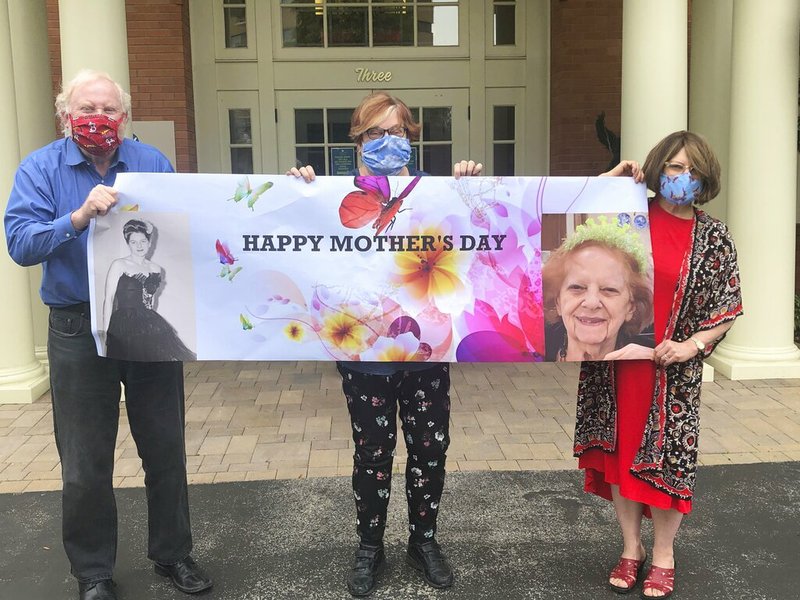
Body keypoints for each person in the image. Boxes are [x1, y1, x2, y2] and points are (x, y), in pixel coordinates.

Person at [4, 70, 211, 600]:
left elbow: (187, 232)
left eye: (109, 109)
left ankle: (174, 554)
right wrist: (75, 218)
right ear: (65, 114)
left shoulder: (150, 163)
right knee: (84, 460)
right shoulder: (40, 169)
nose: (98, 117)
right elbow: (22, 244)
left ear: (125, 117)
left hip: (149, 329)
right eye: (86, 107)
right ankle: (93, 572)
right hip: (77, 327)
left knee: (165, 447)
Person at [288, 90, 482, 597]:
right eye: (375, 133)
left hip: (425, 351)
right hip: (366, 356)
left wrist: (470, 187)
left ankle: (424, 540)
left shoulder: (437, 191)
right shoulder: (331, 193)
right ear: (357, 141)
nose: (386, 142)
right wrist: (292, 194)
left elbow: (477, 232)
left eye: (396, 132)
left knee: (429, 448)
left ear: (411, 138)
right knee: (372, 453)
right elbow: (296, 236)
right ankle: (369, 546)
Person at [573, 131, 743, 598]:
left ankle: (664, 553)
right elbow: (573, 230)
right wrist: (609, 182)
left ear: (705, 178)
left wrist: (692, 345)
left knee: (669, 460)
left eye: (692, 170)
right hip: (617, 363)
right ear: (656, 168)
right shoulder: (628, 218)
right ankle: (631, 549)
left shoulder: (713, 236)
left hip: (672, 369)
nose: (682, 177)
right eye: (673, 167)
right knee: (622, 455)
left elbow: (727, 305)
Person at [541, 216, 654, 361]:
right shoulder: (529, 351)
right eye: (577, 287)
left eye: (609, 290)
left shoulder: (651, 358)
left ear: (630, 307)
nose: (592, 303)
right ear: (558, 303)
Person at [102, 219, 196, 362]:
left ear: (149, 242)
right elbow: (108, 299)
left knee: (151, 365)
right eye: (133, 242)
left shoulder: (155, 269)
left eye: (143, 241)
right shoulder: (119, 265)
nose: (139, 246)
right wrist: (105, 331)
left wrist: (151, 325)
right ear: (128, 243)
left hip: (147, 323)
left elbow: (151, 300)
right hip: (123, 323)